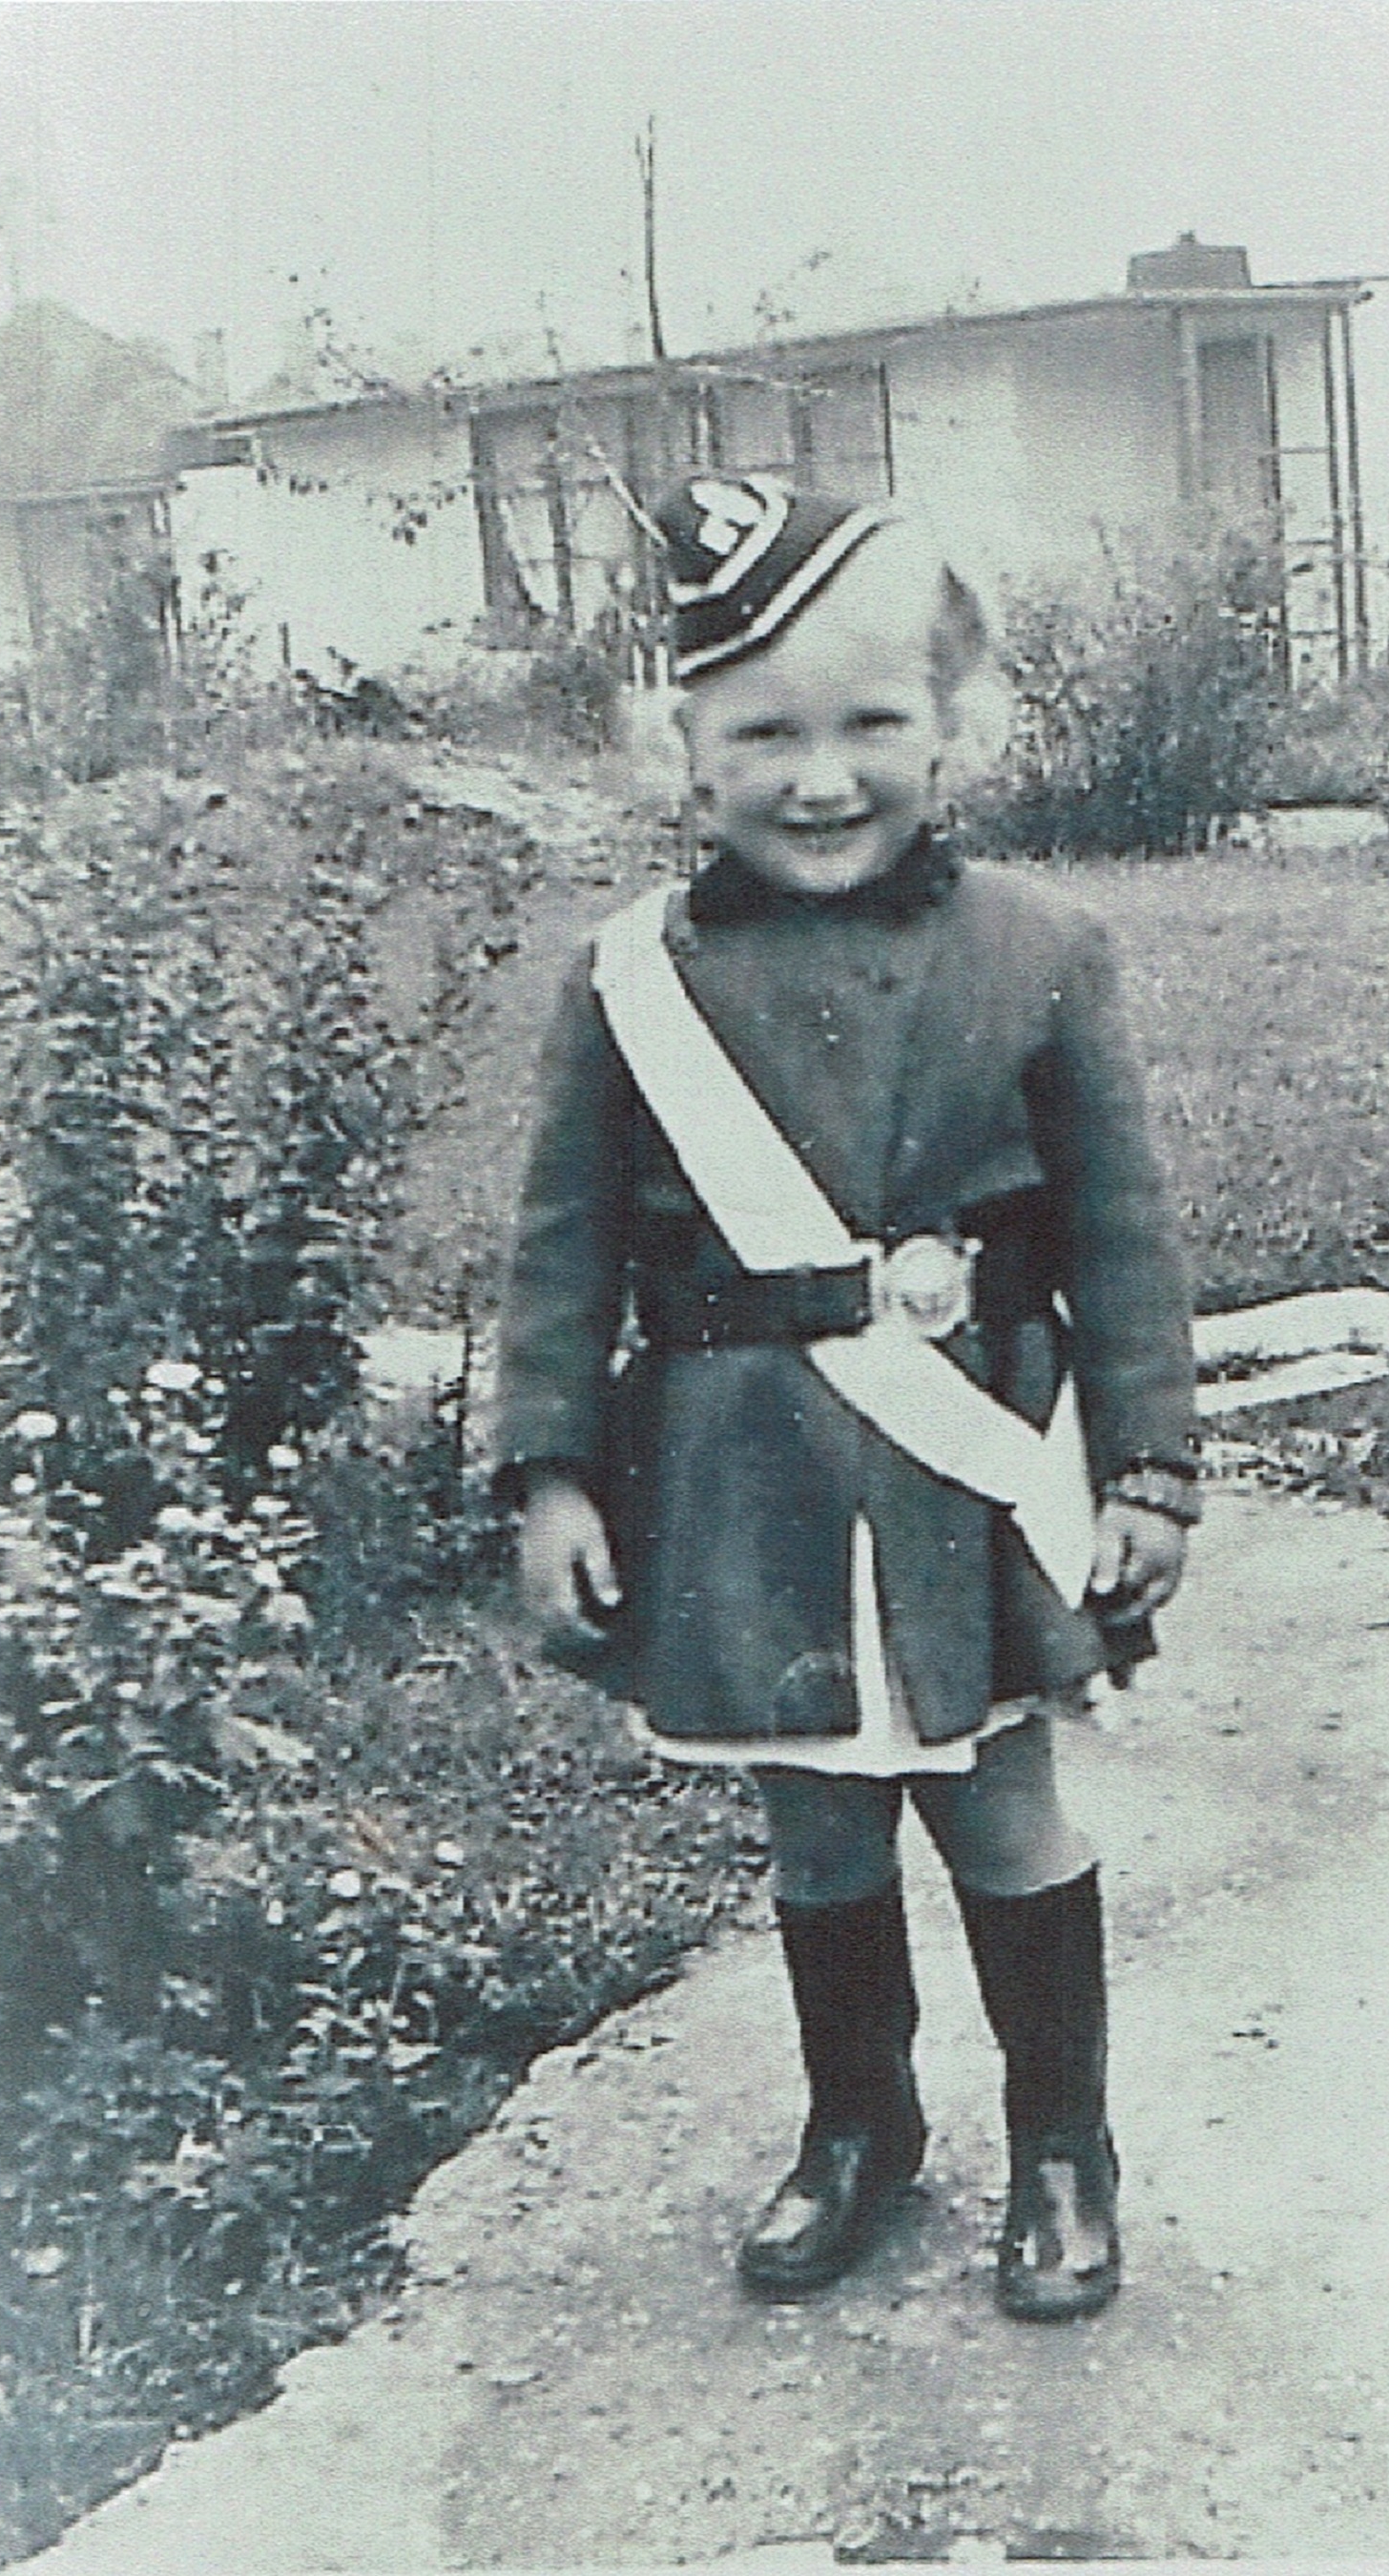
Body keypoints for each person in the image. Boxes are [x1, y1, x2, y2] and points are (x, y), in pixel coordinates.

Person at [495, 471, 1198, 2320]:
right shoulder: (634, 980)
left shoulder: (1038, 951)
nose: (822, 777)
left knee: (996, 1802)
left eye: (872, 724)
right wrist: (551, 1472)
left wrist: (1149, 1464)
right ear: (685, 749)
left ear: (948, 727)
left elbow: (1119, 1234)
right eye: (766, 732)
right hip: (748, 1481)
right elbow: (558, 1244)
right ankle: (856, 2128)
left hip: (967, 1475)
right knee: (812, 1818)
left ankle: (1059, 2147)